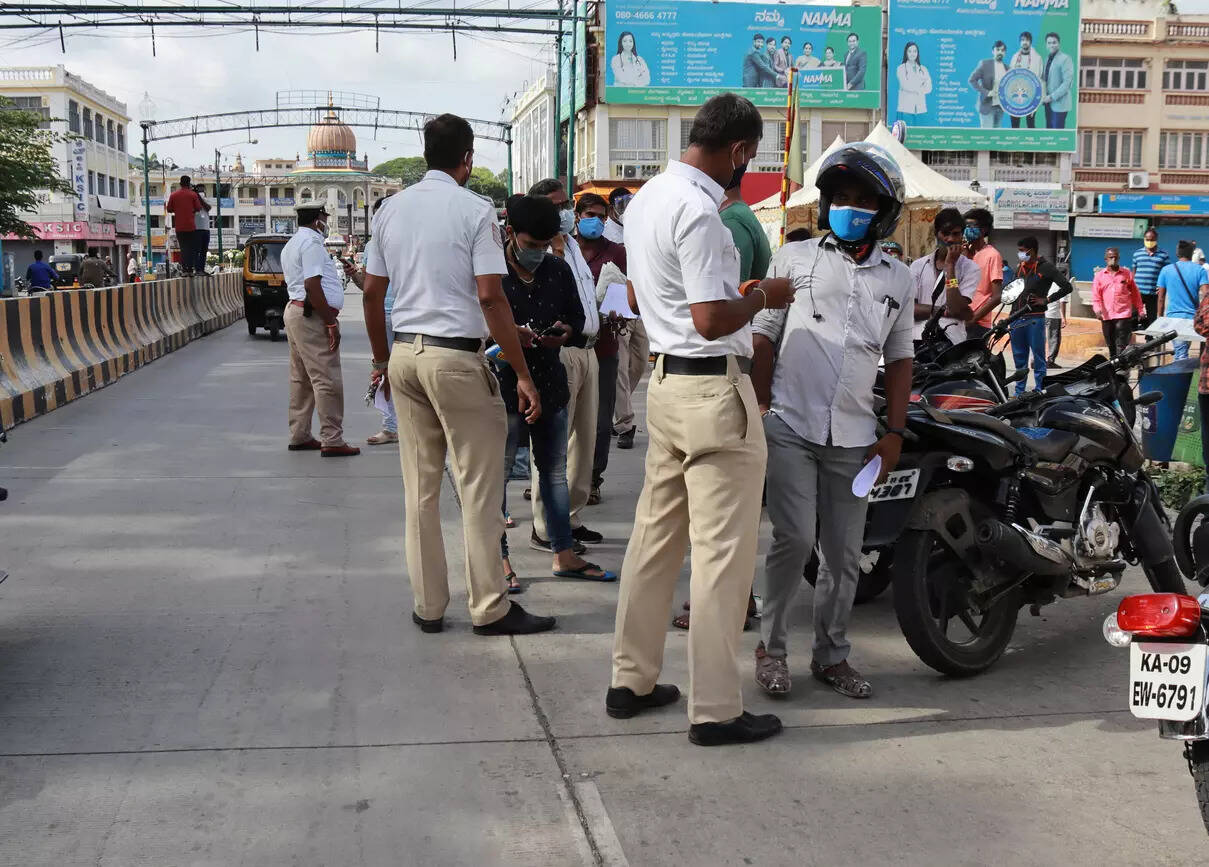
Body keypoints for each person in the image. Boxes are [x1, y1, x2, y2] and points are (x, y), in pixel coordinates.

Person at [607, 93, 795, 746]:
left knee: (653, 541)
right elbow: (713, 317)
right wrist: (765, 294)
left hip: (664, 385)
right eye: (751, 154)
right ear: (740, 150)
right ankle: (715, 709)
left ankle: (629, 679)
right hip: (714, 392)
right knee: (722, 557)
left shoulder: (647, 200)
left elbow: (640, 294)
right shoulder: (702, 214)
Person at [361, 113, 555, 637]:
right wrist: (522, 372)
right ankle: (490, 606)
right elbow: (490, 296)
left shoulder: (389, 211)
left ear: (426, 154)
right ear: (467, 158)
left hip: (404, 357)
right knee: (478, 486)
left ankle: (428, 606)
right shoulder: (475, 211)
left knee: (420, 491)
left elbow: (373, 293)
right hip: (456, 358)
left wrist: (381, 361)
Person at [753, 142, 914, 701]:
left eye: (863, 200)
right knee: (794, 539)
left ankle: (831, 655)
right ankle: (772, 650)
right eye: (841, 197)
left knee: (845, 557)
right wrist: (760, 407)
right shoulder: (794, 260)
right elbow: (763, 336)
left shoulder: (899, 279)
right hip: (790, 426)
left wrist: (893, 432)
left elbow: (899, 358)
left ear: (885, 210)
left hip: (854, 437)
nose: (850, 207)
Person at [672, 162, 773, 633]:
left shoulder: (726, 221)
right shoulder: (743, 218)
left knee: (718, 519)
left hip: (716, 369)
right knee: (725, 512)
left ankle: (730, 603)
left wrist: (756, 301)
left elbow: (715, 314)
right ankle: (735, 599)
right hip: (723, 366)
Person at [496, 194, 616, 591]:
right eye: (531, 246)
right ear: (511, 234)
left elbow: (577, 318)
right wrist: (513, 338)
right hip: (503, 387)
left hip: (549, 379)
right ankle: (499, 560)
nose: (538, 254)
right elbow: (481, 323)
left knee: (553, 472)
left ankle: (563, 552)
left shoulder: (555, 269)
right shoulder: (492, 273)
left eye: (545, 246)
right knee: (495, 478)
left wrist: (564, 331)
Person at [527, 178, 604, 551]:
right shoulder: (540, 250)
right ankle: (545, 527)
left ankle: (570, 517)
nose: (565, 213)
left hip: (588, 349)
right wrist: (553, 247)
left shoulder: (574, 244)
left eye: (565, 205)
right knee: (556, 446)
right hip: (561, 352)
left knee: (583, 444)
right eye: (555, 207)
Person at [280, 201, 360, 458]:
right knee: (327, 379)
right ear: (318, 220)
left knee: (301, 378)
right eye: (325, 217)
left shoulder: (293, 243)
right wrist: (329, 322)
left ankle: (300, 434)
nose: (326, 222)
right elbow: (313, 285)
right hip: (311, 315)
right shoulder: (312, 244)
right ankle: (332, 438)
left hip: (296, 311)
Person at [571, 193, 628, 506]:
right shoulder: (564, 248)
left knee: (601, 418)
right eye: (591, 214)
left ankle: (592, 478)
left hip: (604, 345)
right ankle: (557, 476)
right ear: (578, 215)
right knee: (564, 414)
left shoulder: (616, 252)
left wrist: (618, 310)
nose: (597, 221)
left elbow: (622, 292)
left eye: (602, 217)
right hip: (567, 345)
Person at [346, 196, 398, 445]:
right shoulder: (373, 246)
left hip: (402, 314)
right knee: (385, 371)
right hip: (387, 313)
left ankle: (406, 425)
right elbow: (368, 287)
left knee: (400, 372)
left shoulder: (396, 241)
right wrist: (354, 275)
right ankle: (390, 426)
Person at [1010, 237, 1072, 394]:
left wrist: (1047, 299)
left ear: (1032, 251)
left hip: (1035, 319)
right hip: (1016, 318)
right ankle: (1019, 393)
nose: (1020, 254)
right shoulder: (1019, 268)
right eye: (1020, 251)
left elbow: (1067, 287)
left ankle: (1040, 391)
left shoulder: (1046, 268)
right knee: (1019, 358)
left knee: (1038, 358)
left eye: (1023, 251)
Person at [910, 208, 977, 346]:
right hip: (918, 339)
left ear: (962, 235)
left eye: (955, 234)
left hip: (951, 342)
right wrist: (942, 311)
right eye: (945, 233)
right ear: (936, 234)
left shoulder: (970, 268)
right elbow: (910, 309)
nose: (951, 239)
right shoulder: (918, 266)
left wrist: (950, 266)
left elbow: (956, 308)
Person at [1156, 239, 1207, 360]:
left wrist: (1159, 317)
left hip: (1174, 318)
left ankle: (1179, 378)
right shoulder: (1200, 270)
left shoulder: (1166, 270)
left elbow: (1161, 298)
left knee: (1180, 354)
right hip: (1193, 319)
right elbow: (1207, 295)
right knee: (1183, 351)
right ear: (1191, 253)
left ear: (1177, 253)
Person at [1091, 247, 1144, 358]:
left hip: (1123, 314)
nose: (1113, 259)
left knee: (1121, 344)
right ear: (1106, 259)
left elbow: (1135, 293)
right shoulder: (1099, 276)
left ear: (1119, 258)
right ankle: (1113, 366)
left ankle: (1121, 369)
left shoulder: (1126, 274)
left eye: (1115, 257)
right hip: (1107, 315)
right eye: (1111, 257)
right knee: (1111, 345)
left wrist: (1140, 309)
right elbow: (1096, 296)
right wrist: (1097, 309)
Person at [963, 207, 1004, 339]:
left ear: (984, 229)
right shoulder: (965, 254)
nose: (968, 229)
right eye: (966, 226)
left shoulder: (992, 255)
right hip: (959, 320)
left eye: (972, 226)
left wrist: (973, 319)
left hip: (977, 324)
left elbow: (997, 296)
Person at [1132, 228, 1171, 328]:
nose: (1149, 242)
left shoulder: (1164, 255)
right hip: (1138, 292)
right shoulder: (1137, 254)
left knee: (1152, 318)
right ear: (1144, 239)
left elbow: (1167, 273)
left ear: (1156, 239)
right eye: (1147, 239)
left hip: (1153, 293)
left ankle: (1150, 339)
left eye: (1152, 240)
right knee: (1133, 316)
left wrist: (1164, 287)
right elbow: (1134, 272)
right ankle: (1129, 339)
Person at [166, 175, 204, 275]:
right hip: (191, 226)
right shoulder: (193, 195)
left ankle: (184, 270)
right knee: (191, 248)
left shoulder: (174, 195)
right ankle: (190, 269)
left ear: (180, 183)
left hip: (179, 227)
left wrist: (178, 209)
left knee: (183, 248)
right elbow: (199, 207)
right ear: (189, 184)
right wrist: (191, 210)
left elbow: (169, 209)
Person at [969, 41, 1009, 130]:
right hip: (987, 107)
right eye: (997, 50)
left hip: (1000, 107)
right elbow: (972, 80)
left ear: (1005, 53)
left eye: (1002, 50)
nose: (1000, 52)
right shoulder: (985, 64)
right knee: (987, 136)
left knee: (997, 136)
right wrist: (987, 92)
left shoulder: (1007, 68)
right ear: (993, 51)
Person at [1009, 32, 1044, 129]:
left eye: (1027, 40)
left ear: (1030, 42)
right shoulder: (1015, 58)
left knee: (1030, 123)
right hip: (1015, 94)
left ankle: (1030, 142)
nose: (1025, 42)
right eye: (1022, 40)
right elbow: (1009, 77)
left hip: (1031, 95)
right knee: (1015, 124)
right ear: (1020, 42)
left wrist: (1036, 101)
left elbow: (1040, 78)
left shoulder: (1037, 58)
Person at [1040, 32, 1074, 130]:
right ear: (1046, 45)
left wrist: (1051, 97)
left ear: (1059, 43)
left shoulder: (1065, 58)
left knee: (1056, 135)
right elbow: (1045, 79)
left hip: (1060, 104)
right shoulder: (1047, 59)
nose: (1052, 45)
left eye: (1054, 42)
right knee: (1049, 133)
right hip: (1047, 104)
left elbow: (1067, 83)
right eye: (1049, 43)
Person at [895, 42, 932, 123]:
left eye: (915, 51)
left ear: (917, 53)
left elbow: (929, 88)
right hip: (905, 109)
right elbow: (905, 85)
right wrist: (921, 85)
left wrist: (917, 87)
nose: (912, 54)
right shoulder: (901, 68)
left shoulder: (923, 69)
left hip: (920, 110)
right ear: (906, 53)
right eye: (910, 51)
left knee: (921, 134)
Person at [1045, 279, 1068, 368]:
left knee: (1040, 338)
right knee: (1054, 339)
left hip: (1043, 314)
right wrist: (1063, 317)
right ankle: (1050, 361)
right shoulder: (1062, 285)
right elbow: (1062, 303)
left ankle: (1034, 360)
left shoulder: (1046, 282)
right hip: (1054, 315)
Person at [192, 193, 212, 275]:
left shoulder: (204, 201)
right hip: (196, 229)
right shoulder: (193, 202)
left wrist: (200, 198)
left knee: (204, 251)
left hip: (206, 229)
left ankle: (202, 269)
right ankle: (197, 269)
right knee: (196, 251)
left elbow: (208, 208)